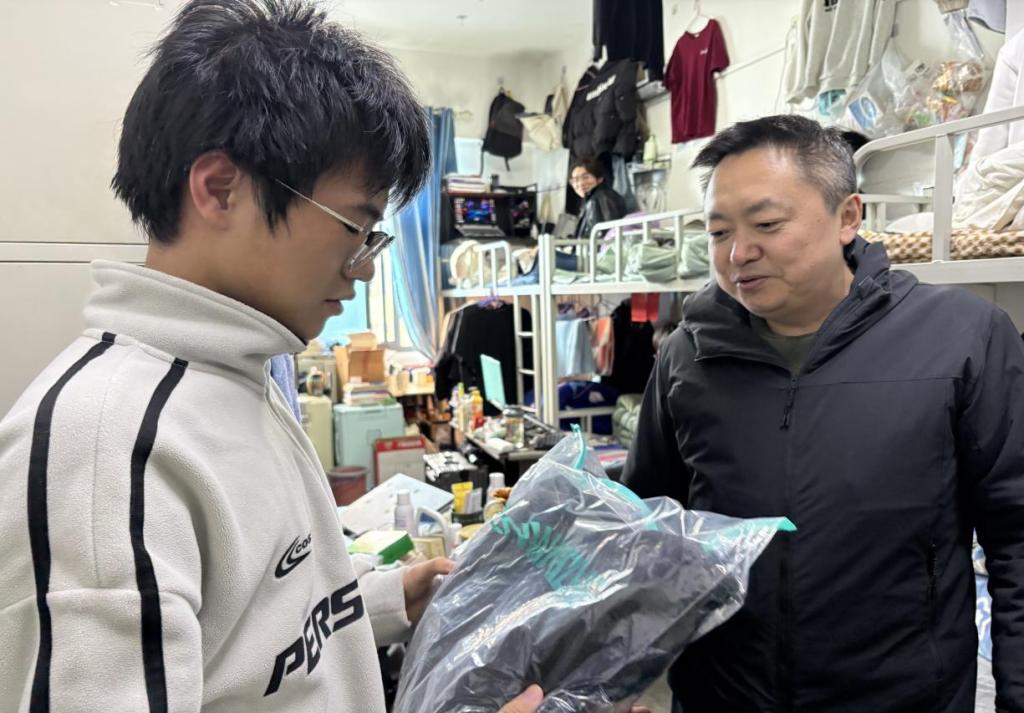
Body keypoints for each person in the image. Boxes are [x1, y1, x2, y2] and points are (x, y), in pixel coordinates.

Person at [0, 2, 541, 711]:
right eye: (356, 227)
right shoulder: (105, 449)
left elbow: (246, 636)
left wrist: (377, 600)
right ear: (220, 189)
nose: (365, 268)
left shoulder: (237, 375)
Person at [622, 114, 1024, 712]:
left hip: (902, 697)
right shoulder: (689, 354)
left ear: (847, 217)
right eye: (718, 232)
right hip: (722, 696)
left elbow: (1016, 537)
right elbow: (647, 527)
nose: (738, 253)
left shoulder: (963, 339)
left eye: (767, 224)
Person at [571, 157, 627, 239]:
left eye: (585, 177)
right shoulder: (591, 199)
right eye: (576, 180)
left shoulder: (603, 197)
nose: (581, 183)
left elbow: (610, 234)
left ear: (599, 179)